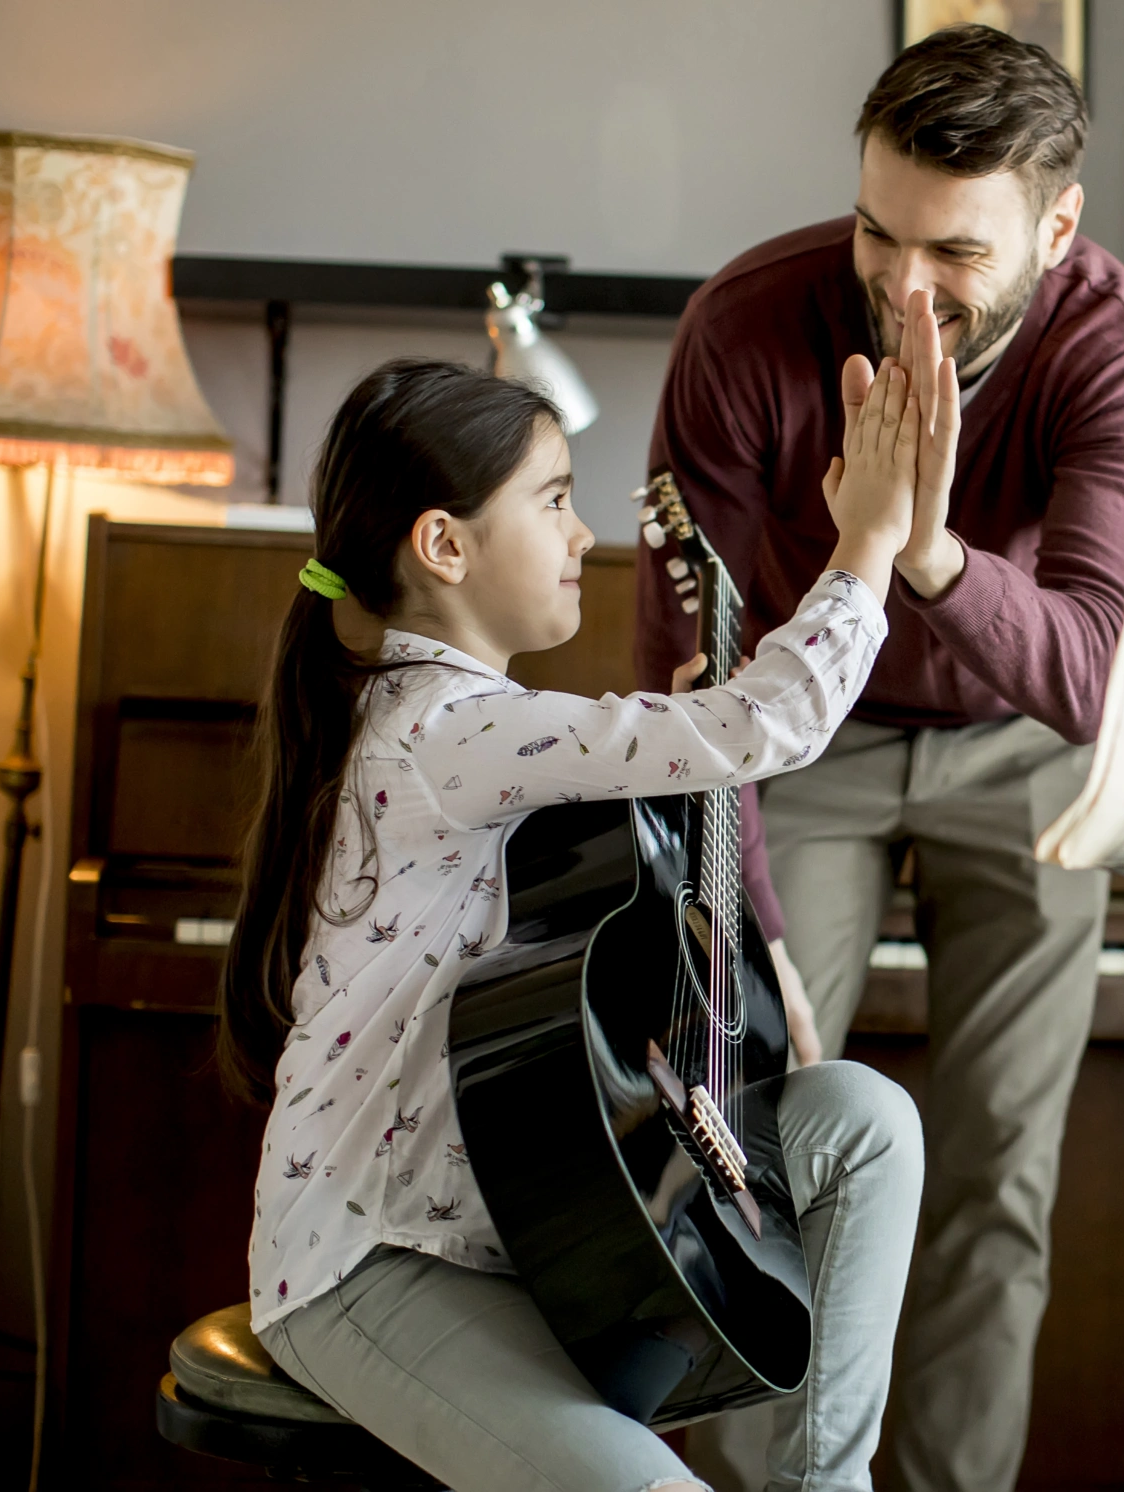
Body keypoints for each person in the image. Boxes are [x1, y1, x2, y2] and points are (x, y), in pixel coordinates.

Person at [222, 354, 943, 1492]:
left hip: (523, 1215)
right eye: (553, 499)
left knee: (863, 1118)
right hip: (365, 1263)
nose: (581, 533)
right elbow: (773, 722)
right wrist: (870, 543)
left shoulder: (486, 735)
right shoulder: (446, 730)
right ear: (445, 546)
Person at [637, 25, 1124, 1492]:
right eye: (881, 231)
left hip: (1022, 753)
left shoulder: (1121, 350)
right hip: (795, 735)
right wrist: (743, 926)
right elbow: (685, 676)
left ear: (1058, 228)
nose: (904, 284)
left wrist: (926, 548)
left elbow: (1092, 672)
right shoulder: (746, 326)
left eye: (955, 250)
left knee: (1001, 1172)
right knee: (758, 1140)